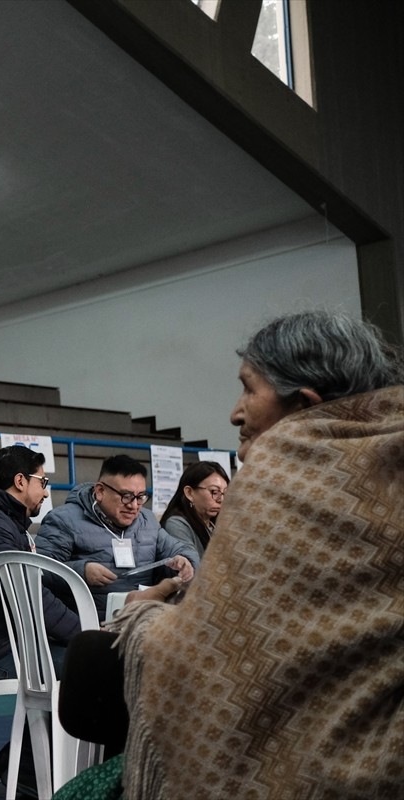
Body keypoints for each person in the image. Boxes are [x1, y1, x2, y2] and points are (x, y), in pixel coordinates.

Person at [69, 310, 404, 799]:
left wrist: (144, 618)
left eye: (249, 388)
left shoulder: (280, 475)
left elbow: (218, 649)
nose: (235, 412)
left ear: (304, 402)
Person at [0, 446, 80, 797]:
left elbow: (39, 585)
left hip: (10, 643)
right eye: (43, 481)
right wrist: (85, 632)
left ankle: (26, 768)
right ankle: (32, 770)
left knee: (89, 662)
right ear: (19, 481)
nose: (46, 491)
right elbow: (28, 595)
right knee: (95, 667)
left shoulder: (2, 520)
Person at [35, 455, 196, 621]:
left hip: (140, 619)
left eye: (140, 497)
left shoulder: (147, 521)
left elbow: (180, 549)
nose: (134, 506)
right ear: (100, 491)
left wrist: (185, 562)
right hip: (88, 624)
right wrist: (81, 572)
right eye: (126, 496)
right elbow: (38, 570)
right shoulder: (64, 520)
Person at [158, 461, 229, 556]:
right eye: (215, 492)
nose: (221, 499)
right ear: (189, 493)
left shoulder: (216, 523)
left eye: (225, 492)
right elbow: (192, 565)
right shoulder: (176, 524)